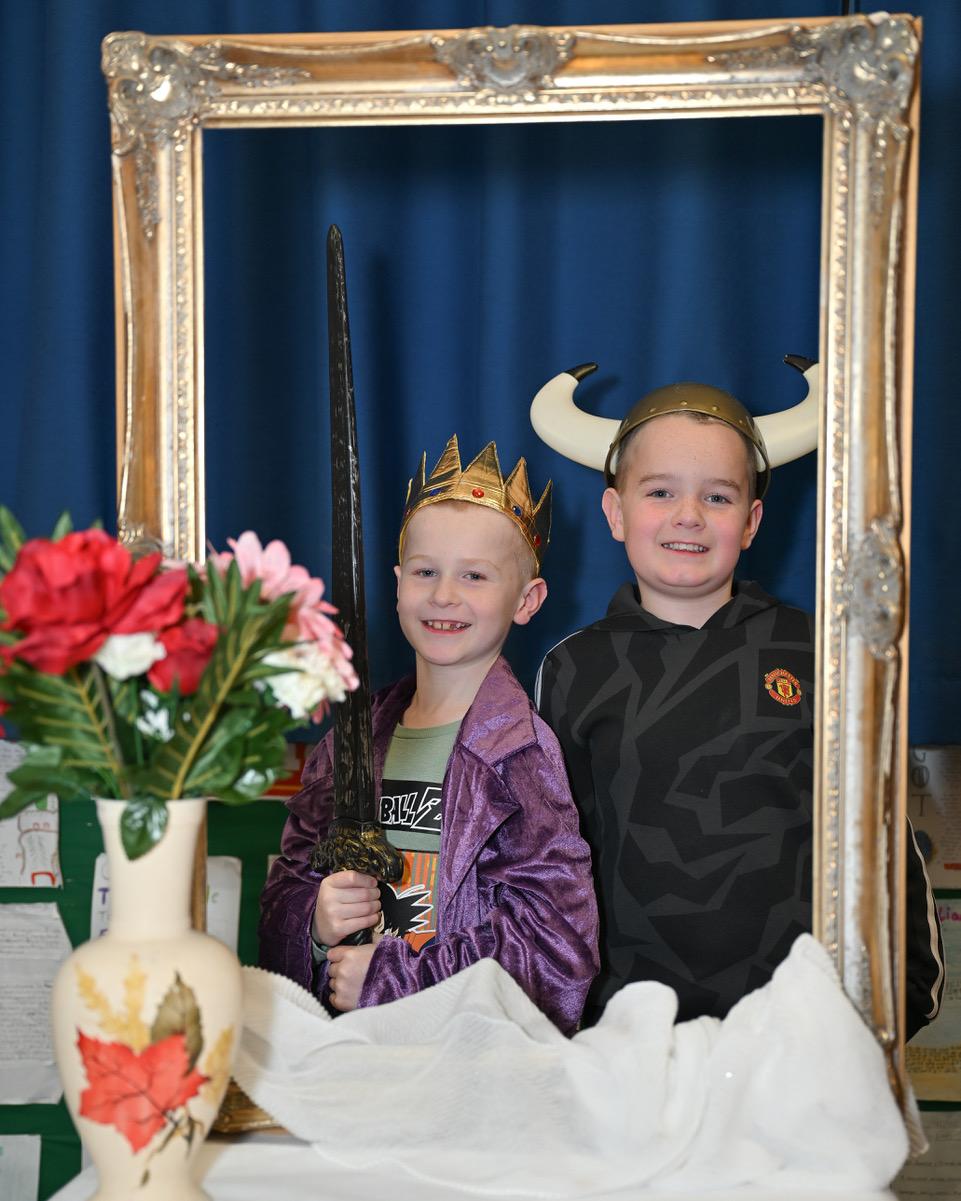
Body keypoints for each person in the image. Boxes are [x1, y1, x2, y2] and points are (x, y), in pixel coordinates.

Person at [534, 379, 944, 1035]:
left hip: (800, 1032)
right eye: (659, 492)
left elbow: (881, 829)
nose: (688, 515)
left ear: (750, 522)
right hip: (627, 1037)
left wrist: (900, 999)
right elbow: (551, 859)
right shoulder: (571, 669)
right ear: (615, 512)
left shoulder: (820, 651)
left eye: (717, 496)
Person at [259, 435, 599, 1034]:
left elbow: (556, 947)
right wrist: (313, 922)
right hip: (346, 1055)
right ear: (397, 584)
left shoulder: (519, 755)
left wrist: (392, 981)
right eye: (425, 571)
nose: (444, 595)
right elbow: (286, 888)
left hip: (457, 1062)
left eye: (475, 576)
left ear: (527, 600)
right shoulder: (350, 743)